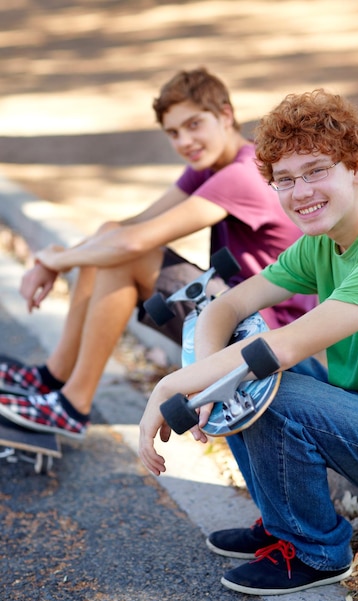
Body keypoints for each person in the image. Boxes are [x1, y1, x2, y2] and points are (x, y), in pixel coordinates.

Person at [137, 88, 358, 596]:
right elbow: (226, 307)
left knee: (266, 381)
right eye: (284, 180)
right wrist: (203, 386)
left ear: (356, 167)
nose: (300, 190)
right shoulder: (322, 243)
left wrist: (171, 388)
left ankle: (316, 552)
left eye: (316, 170)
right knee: (241, 366)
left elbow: (280, 352)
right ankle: (281, 516)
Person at [0, 68, 314, 440]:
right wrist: (64, 254)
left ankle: (72, 405)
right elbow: (128, 227)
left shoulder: (243, 172)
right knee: (110, 236)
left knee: (127, 255)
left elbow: (134, 244)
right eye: (174, 132)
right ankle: (54, 376)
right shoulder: (211, 167)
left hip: (267, 335)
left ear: (226, 115)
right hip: (232, 315)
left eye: (194, 124)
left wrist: (55, 262)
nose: (185, 140)